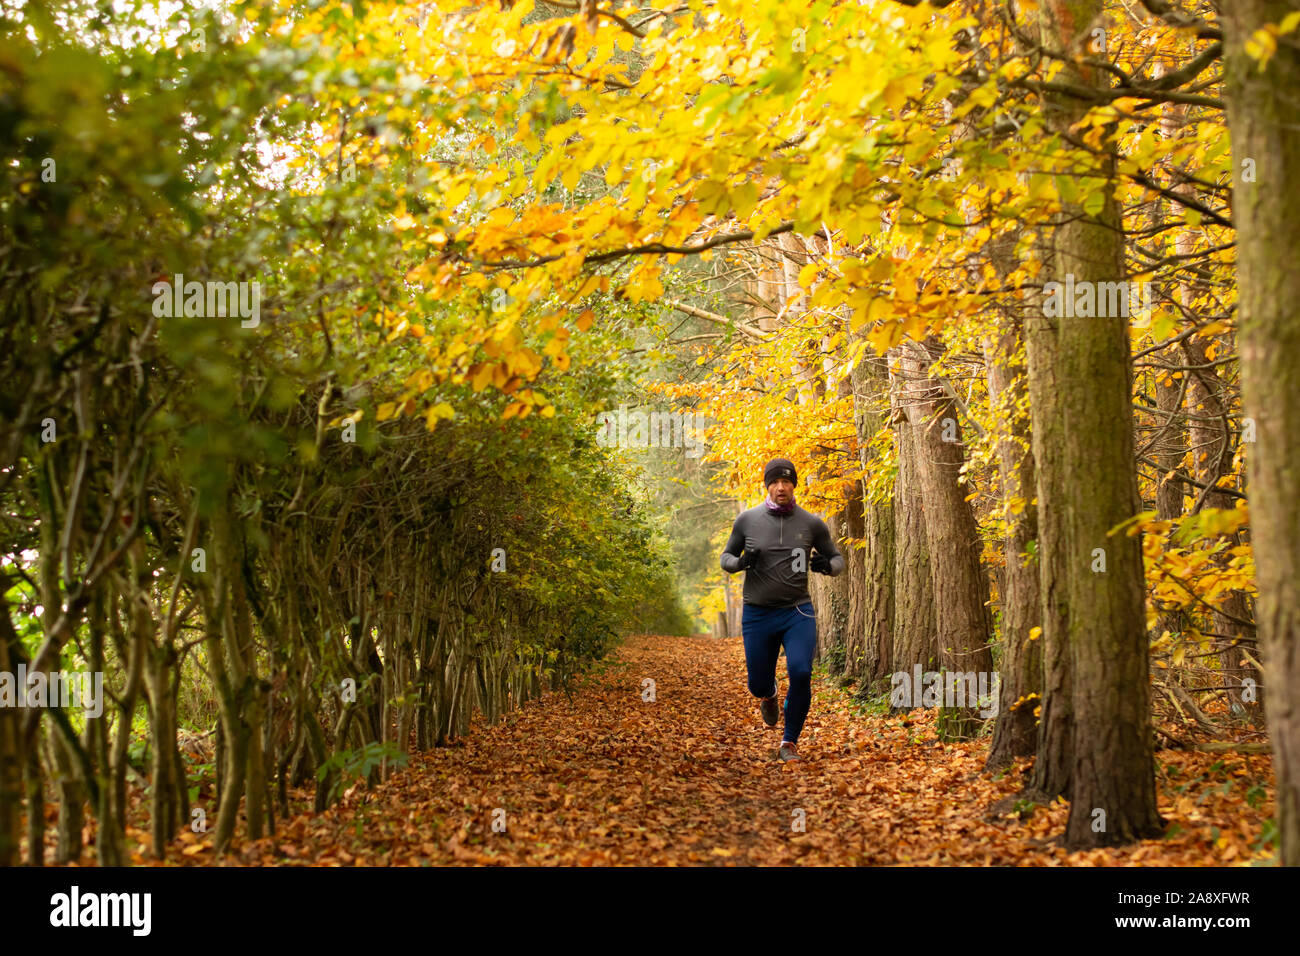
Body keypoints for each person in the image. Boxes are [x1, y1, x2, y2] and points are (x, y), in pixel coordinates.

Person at [720, 458, 844, 761]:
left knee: (801, 671)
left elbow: (838, 560)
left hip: (796, 612)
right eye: (774, 482)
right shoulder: (747, 521)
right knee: (757, 683)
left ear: (794, 486)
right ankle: (769, 693)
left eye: (786, 482)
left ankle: (789, 742)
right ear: (767, 486)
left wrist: (827, 566)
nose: (780, 487)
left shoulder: (811, 523)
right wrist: (739, 564)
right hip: (758, 613)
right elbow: (725, 556)